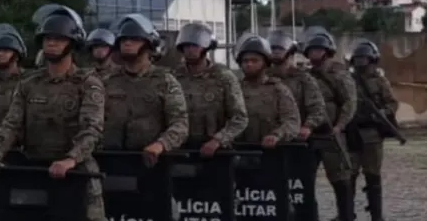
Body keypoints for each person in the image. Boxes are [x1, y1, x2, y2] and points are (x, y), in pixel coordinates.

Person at [0, 4, 110, 221]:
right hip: (35, 174)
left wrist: (71, 158)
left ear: (72, 42)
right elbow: (11, 125)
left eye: (58, 38)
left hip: (77, 176)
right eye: (47, 38)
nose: (51, 44)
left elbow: (92, 128)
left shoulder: (88, 82)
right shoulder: (29, 84)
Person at [100, 14, 188, 163]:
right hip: (111, 160)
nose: (127, 43)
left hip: (152, 161)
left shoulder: (165, 81)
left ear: (149, 45)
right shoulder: (106, 81)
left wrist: (161, 144)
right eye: (123, 40)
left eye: (135, 39)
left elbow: (180, 124)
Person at [302, 26, 357, 221]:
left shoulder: (338, 74)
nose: (315, 53)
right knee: (304, 182)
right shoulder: (305, 76)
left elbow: (349, 102)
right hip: (309, 134)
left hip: (331, 133)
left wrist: (339, 126)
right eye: (312, 50)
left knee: (341, 182)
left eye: (319, 50)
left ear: (328, 51)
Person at [173, 23, 248, 155]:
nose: (190, 50)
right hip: (179, 147)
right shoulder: (174, 77)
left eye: (195, 46)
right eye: (186, 46)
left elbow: (239, 118)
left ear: (206, 47)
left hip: (216, 149)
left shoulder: (224, 77)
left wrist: (218, 140)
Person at [349, 40, 399, 221]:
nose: (362, 63)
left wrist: (381, 114)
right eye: (358, 59)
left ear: (372, 60)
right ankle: (346, 212)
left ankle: (375, 213)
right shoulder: (348, 80)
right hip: (352, 132)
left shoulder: (380, 82)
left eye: (365, 59)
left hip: (372, 133)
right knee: (349, 174)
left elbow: (392, 103)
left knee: (373, 174)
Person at [234, 35, 301, 145]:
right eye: (245, 61)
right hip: (240, 149)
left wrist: (277, 135)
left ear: (265, 63)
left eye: (254, 60)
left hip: (271, 151)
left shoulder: (278, 89)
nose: (249, 64)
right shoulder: (234, 90)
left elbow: (292, 121)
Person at [267, 30, 326, 141]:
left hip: (296, 136)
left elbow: (317, 107)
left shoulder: (303, 79)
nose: (275, 52)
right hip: (267, 136)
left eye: (280, 49)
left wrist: (308, 126)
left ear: (290, 53)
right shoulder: (264, 78)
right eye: (272, 49)